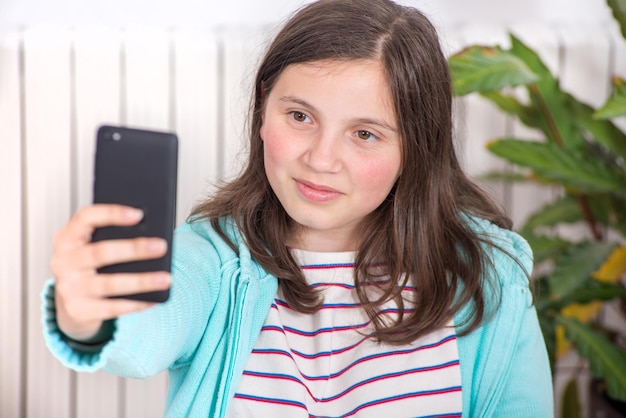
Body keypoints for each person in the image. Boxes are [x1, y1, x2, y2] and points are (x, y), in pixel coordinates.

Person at [43, 0, 554, 416]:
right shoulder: (217, 261)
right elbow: (141, 334)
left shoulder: (489, 277)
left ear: (415, 147)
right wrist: (85, 313)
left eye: (365, 133)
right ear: (263, 109)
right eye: (300, 115)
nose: (321, 159)